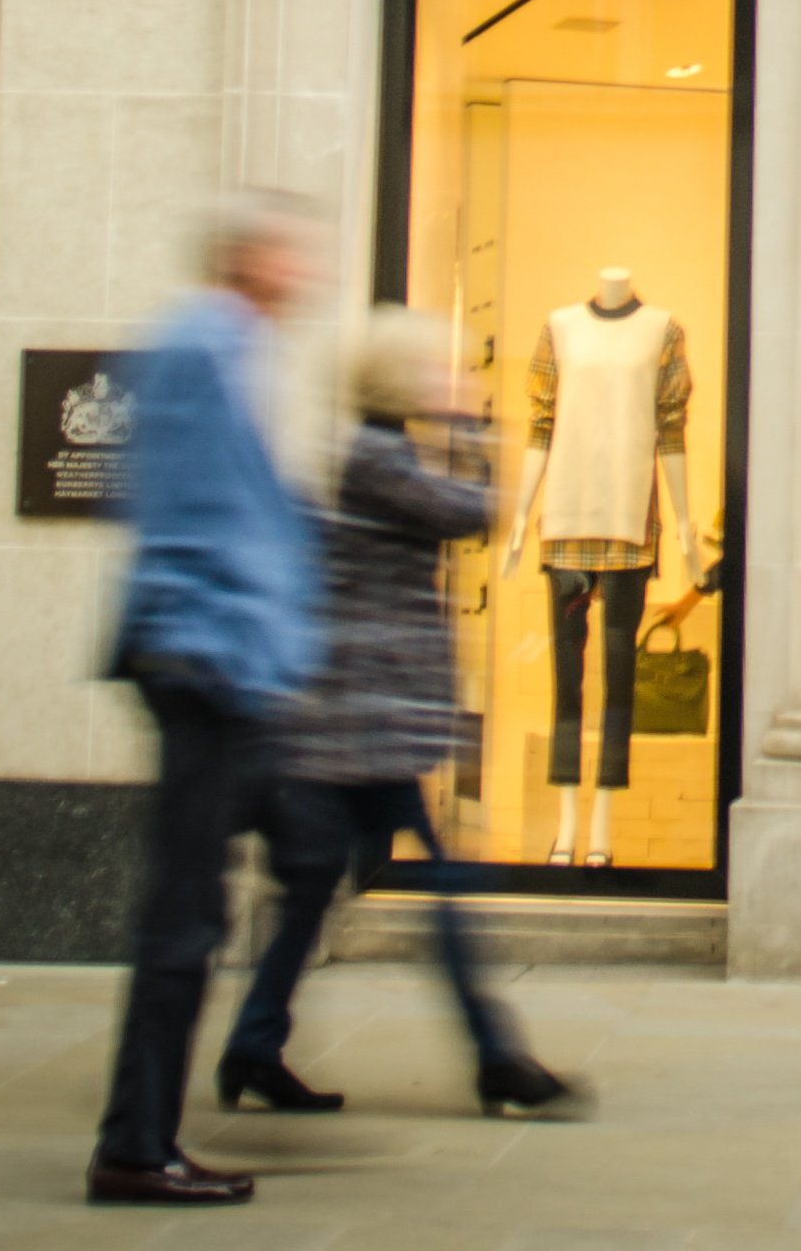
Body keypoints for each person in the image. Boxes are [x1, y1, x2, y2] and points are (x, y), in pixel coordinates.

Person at [218, 310, 578, 1122]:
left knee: (314, 887)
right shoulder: (375, 458)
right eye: (436, 370)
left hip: (352, 718)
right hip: (355, 719)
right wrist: (477, 424)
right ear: (399, 380)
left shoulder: (372, 450)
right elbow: (471, 510)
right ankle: (495, 1056)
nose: (449, 379)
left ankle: (254, 1044)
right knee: (437, 881)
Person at [88, 194, 327, 1208]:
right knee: (183, 915)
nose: (304, 272)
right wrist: (238, 642)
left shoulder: (225, 343)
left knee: (310, 848)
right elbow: (201, 514)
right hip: (206, 661)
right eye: (289, 254)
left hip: (226, 661)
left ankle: (233, 1061)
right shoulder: (207, 343)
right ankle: (135, 1149)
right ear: (248, 259)